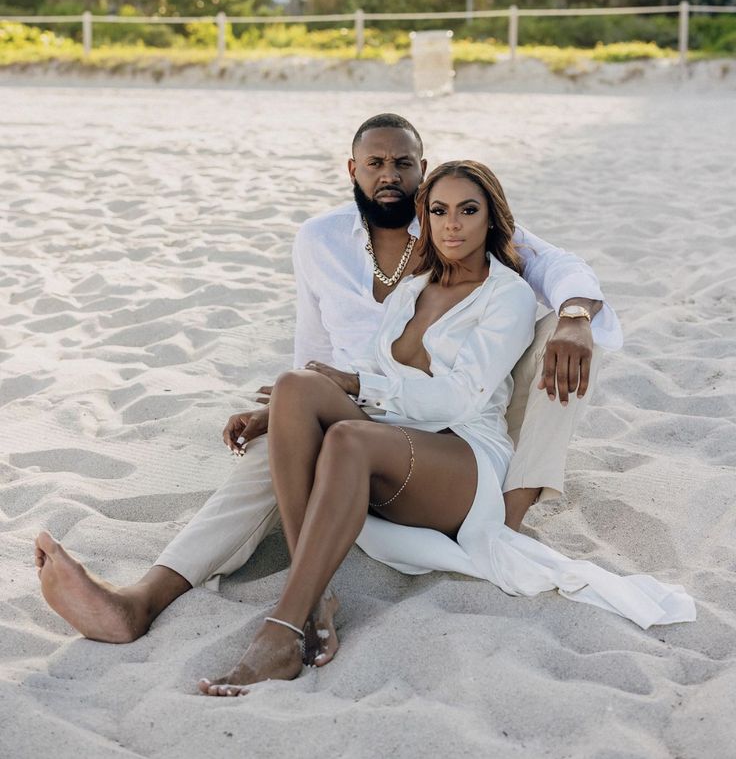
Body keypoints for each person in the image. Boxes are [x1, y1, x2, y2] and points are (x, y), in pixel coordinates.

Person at [34, 113, 620, 659]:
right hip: (359, 402)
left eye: (403, 165)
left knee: (551, 334)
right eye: (375, 165)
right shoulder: (320, 239)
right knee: (272, 444)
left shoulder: (453, 218)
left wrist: (573, 315)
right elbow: (313, 353)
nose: (388, 176)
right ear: (353, 171)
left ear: (422, 170)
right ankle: (144, 599)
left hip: (434, 424)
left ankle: (305, 591)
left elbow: (561, 267)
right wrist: (286, 413)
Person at [196, 159, 694, 695]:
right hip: (395, 440)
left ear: (492, 221)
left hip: (463, 461)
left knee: (347, 436)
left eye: (467, 210)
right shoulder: (412, 289)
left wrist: (358, 386)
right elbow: (375, 374)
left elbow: (458, 401)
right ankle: (316, 597)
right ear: (425, 220)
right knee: (294, 384)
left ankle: (282, 628)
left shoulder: (507, 295)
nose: (452, 223)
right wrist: (283, 412)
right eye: (439, 211)